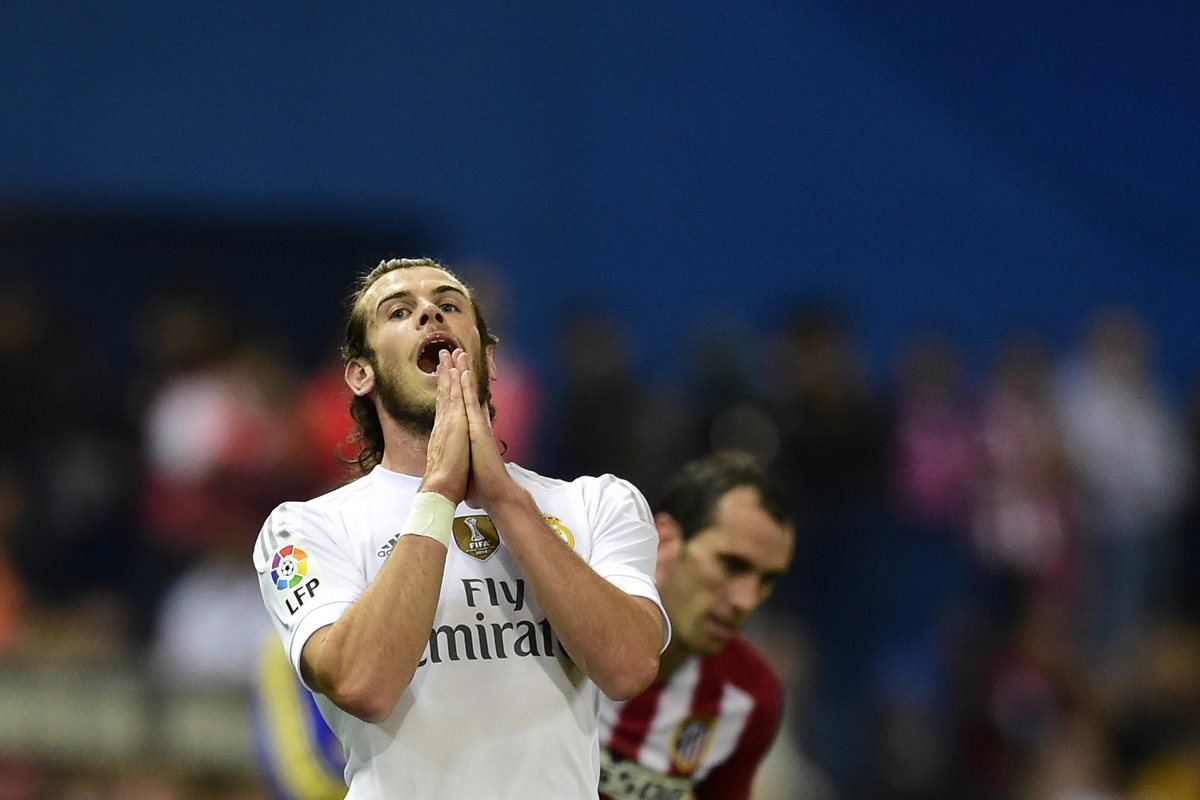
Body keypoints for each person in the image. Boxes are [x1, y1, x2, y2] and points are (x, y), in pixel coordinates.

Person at [252, 257, 668, 798]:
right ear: (361, 374)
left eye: (449, 305)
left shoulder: (598, 503)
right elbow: (363, 684)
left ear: (488, 359)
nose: (429, 312)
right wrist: (437, 496)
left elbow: (629, 668)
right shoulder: (303, 530)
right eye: (400, 311)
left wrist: (505, 500)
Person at [598, 450, 795, 800]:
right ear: (666, 539)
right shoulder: (554, 624)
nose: (746, 601)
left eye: (767, 579)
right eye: (732, 565)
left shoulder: (749, 699)